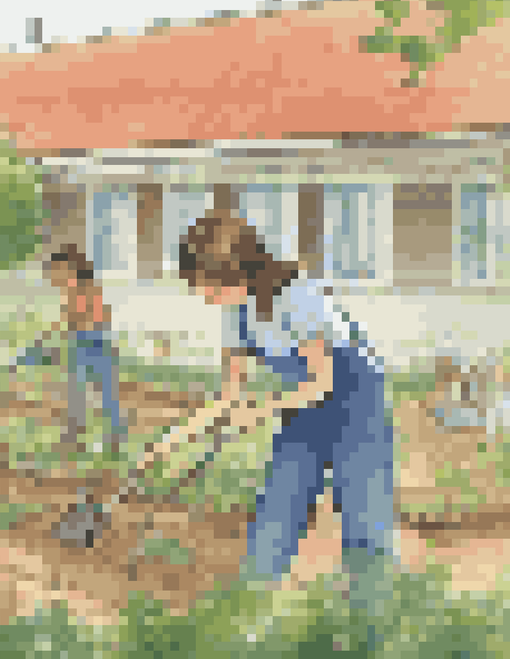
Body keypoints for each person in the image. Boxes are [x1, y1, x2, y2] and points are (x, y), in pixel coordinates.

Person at [153, 209, 397, 608]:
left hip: (357, 404)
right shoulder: (236, 314)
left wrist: (261, 410)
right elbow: (229, 396)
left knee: (364, 520)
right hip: (303, 406)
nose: (204, 297)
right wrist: (173, 440)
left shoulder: (298, 295)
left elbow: (324, 382)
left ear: (234, 271)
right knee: (276, 514)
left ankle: (372, 625)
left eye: (207, 287)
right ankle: (249, 620)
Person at [33, 245, 124, 547]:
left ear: (74, 270)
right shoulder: (72, 297)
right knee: (82, 443)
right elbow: (69, 329)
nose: (56, 280)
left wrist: (62, 341)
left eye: (60, 274)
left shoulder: (91, 293)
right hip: (83, 375)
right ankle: (86, 510)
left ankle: (94, 515)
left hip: (95, 374)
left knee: (97, 444)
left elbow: (91, 328)